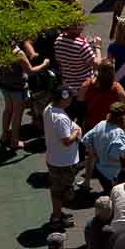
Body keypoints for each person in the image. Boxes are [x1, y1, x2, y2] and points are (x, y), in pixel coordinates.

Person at [46, 89, 85, 226]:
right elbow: (67, 140)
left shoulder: (49, 109)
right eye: (69, 99)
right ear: (64, 99)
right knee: (64, 190)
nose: (71, 101)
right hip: (63, 162)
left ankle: (57, 214)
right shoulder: (61, 118)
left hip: (53, 158)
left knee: (56, 188)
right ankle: (57, 219)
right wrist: (76, 132)